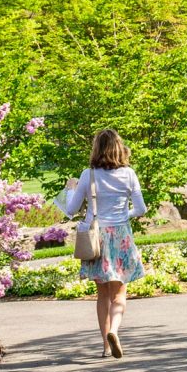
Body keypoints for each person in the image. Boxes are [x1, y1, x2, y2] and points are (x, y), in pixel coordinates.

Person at [58, 130, 148, 358]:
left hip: (96, 237)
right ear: (119, 147)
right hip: (120, 236)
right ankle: (115, 331)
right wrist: (122, 216)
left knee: (102, 296)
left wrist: (70, 190)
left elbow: (71, 209)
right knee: (119, 295)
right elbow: (140, 209)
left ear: (96, 148)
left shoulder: (88, 175)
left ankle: (106, 347)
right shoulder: (129, 174)